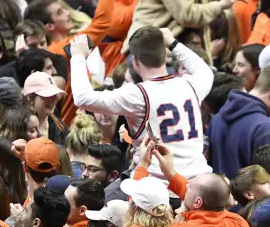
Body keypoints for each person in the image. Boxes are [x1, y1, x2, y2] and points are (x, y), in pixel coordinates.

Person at [71, 27, 216, 179]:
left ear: (134, 61)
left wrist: (78, 56)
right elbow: (204, 69)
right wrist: (173, 43)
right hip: (199, 181)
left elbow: (82, 98)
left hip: (158, 188)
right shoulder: (191, 84)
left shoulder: (137, 94)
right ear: (164, 54)